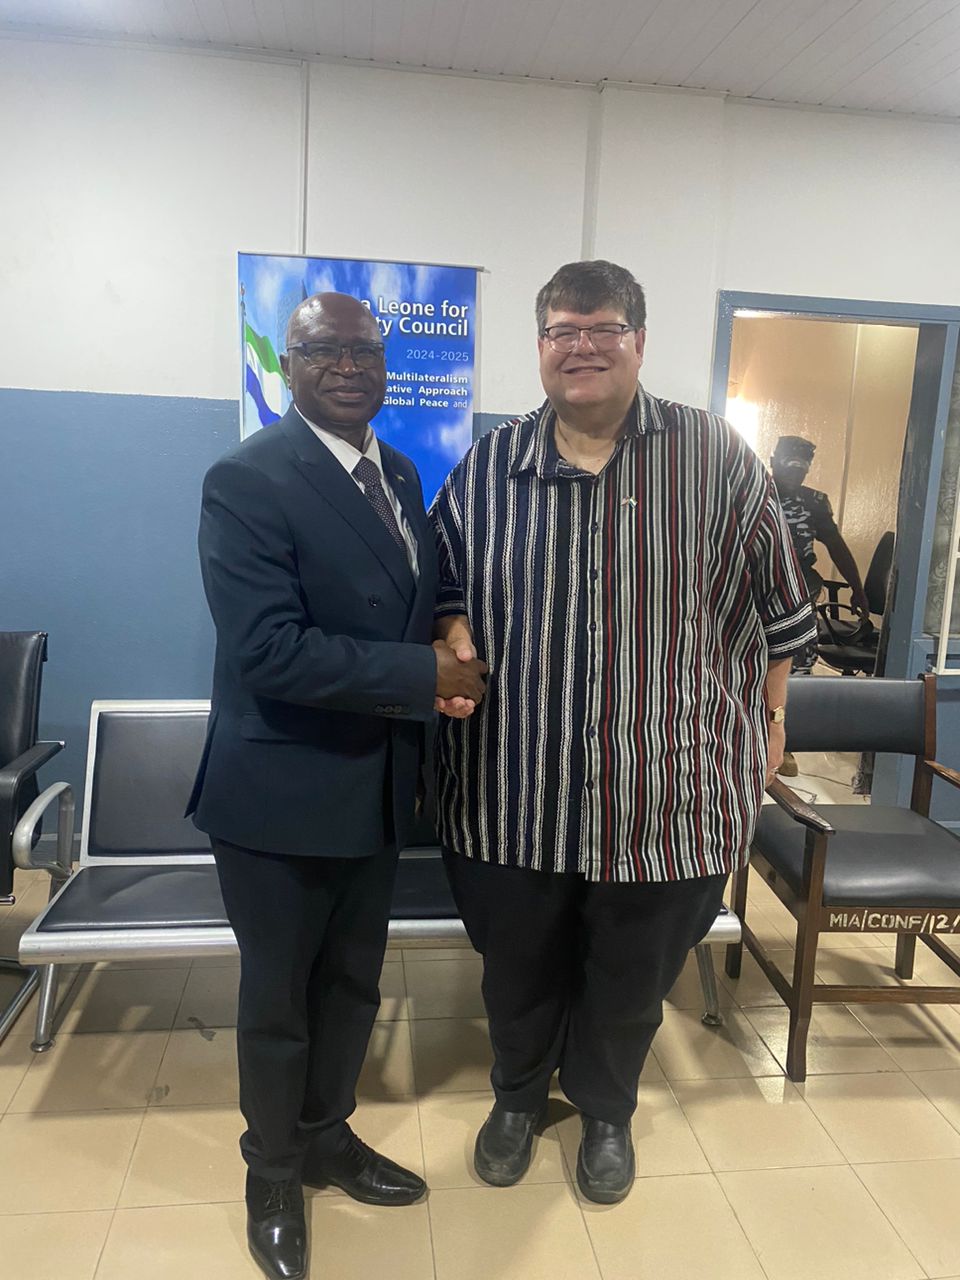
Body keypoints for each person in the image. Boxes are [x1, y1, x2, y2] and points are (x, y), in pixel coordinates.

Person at [430, 260, 815, 1205]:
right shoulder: (489, 467)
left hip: (668, 790)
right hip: (513, 787)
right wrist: (450, 625)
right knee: (516, 968)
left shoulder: (715, 457)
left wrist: (772, 720)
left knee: (632, 976)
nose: (582, 348)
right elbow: (438, 583)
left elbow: (782, 612)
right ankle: (518, 1097)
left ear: (639, 341)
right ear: (540, 347)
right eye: (562, 331)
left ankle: (606, 1109)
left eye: (603, 329)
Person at [187, 292, 487, 1280]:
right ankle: (272, 1173)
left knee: (353, 985)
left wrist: (447, 629)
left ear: (387, 364)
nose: (349, 366)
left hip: (376, 785)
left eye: (365, 350)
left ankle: (327, 1135)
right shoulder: (247, 478)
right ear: (289, 364)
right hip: (280, 791)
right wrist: (422, 677)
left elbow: (413, 591)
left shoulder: (398, 471)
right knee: (280, 1000)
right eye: (324, 351)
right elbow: (268, 650)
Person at [770, 434, 869, 775]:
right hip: (754, 593)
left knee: (798, 668)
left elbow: (836, 546)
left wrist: (857, 589)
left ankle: (787, 744)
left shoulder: (813, 502)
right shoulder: (752, 490)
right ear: (773, 461)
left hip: (800, 594)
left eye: (802, 469)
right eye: (789, 466)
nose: (795, 474)